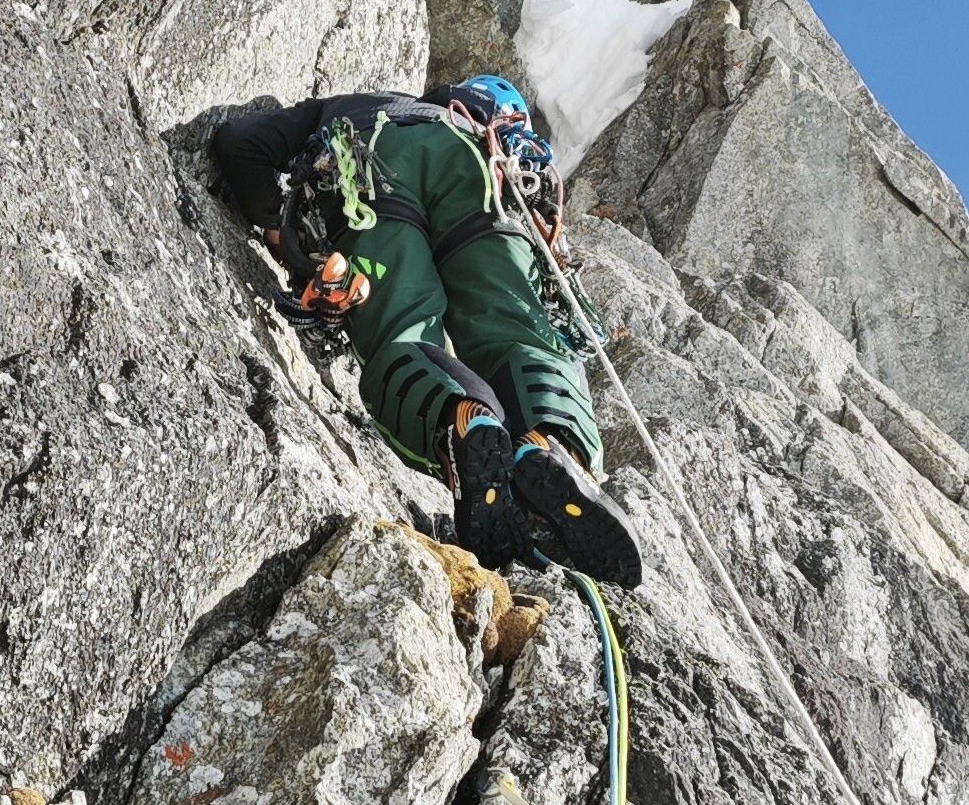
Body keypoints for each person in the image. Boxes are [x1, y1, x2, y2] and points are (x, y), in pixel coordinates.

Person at [207, 76, 643, 587]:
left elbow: (240, 141)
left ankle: (466, 423)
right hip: (485, 188)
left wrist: (278, 231)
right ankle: (551, 447)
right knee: (520, 333)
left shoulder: (360, 106)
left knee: (404, 331)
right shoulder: (483, 142)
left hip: (372, 169)